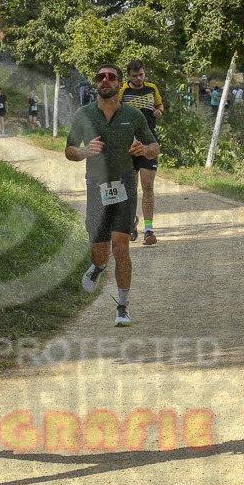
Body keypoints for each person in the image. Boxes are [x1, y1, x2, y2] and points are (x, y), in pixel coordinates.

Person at [66, 64, 159, 327]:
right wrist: (84, 152)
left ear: (120, 84)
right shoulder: (84, 114)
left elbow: (154, 147)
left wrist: (144, 149)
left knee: (121, 248)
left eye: (110, 77)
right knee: (99, 250)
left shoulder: (134, 115)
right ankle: (98, 267)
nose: (104, 81)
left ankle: (123, 307)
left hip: (125, 185)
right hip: (96, 186)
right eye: (100, 77)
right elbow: (69, 150)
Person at [118, 59, 164, 246]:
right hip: (128, 144)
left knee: (148, 186)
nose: (138, 79)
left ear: (145, 73)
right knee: (130, 188)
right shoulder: (122, 92)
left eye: (141, 75)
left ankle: (149, 230)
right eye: (135, 76)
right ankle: (131, 221)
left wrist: (159, 111)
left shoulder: (152, 88)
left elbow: (160, 105)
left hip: (149, 142)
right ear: (128, 76)